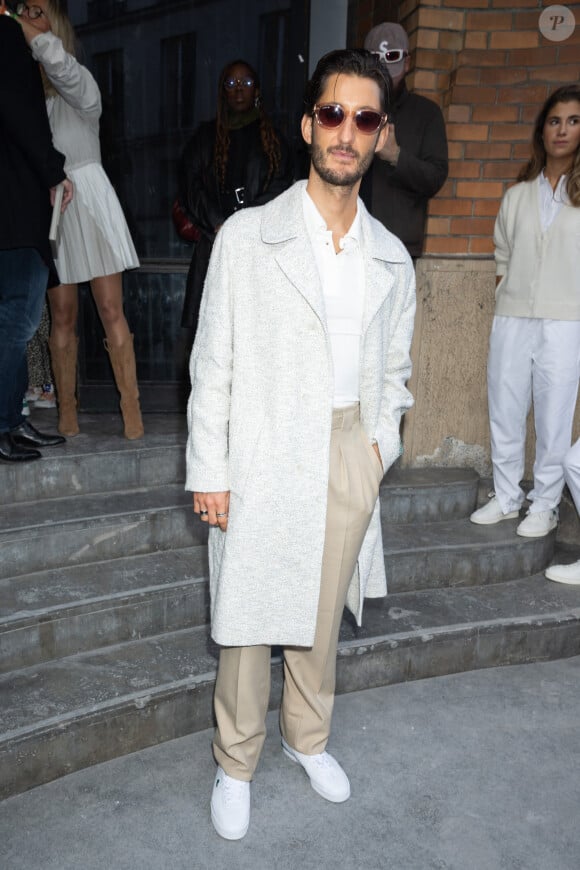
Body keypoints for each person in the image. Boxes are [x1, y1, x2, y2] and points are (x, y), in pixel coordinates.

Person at [186, 48, 416, 840]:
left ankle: (307, 738)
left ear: (380, 133)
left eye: (364, 118)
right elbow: (212, 363)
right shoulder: (248, 238)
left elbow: (396, 374)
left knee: (320, 617)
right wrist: (209, 470)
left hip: (349, 444)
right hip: (263, 442)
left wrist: (378, 448)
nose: (346, 132)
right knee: (250, 617)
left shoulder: (392, 256)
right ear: (308, 123)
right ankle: (236, 760)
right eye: (332, 114)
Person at [18, 0, 143, 440]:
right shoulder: (30, 102)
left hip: (90, 200)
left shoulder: (82, 85)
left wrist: (35, 34)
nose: (25, 19)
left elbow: (62, 70)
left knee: (111, 308)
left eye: (36, 11)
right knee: (63, 314)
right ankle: (66, 412)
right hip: (54, 208)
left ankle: (132, 414)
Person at [470, 85, 580, 538]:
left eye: (574, 121)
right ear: (542, 130)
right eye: (555, 120)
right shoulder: (517, 195)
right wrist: (506, 292)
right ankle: (508, 495)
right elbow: (502, 252)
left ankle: (546, 505)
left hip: (566, 320)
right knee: (506, 406)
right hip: (512, 316)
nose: (563, 130)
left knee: (554, 415)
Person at [0, 5, 73, 463]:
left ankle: (11, 419)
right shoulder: (5, 38)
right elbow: (21, 112)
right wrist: (54, 171)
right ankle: (4, 422)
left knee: (13, 320)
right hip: (14, 205)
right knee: (18, 320)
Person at [178, 58, 293, 335]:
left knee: (255, 331)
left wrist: (244, 225)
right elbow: (189, 184)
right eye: (231, 83)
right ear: (223, 91)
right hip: (213, 242)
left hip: (259, 245)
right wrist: (219, 223)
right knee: (213, 332)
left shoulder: (274, 138)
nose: (239, 88)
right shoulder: (205, 137)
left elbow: (282, 187)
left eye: (246, 82)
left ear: (257, 91)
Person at [360, 22, 448, 259]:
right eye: (377, 64)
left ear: (407, 63)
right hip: (349, 240)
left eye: (392, 63)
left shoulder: (426, 113)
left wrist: (396, 156)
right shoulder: (353, 108)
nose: (385, 74)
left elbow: (435, 177)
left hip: (398, 245)